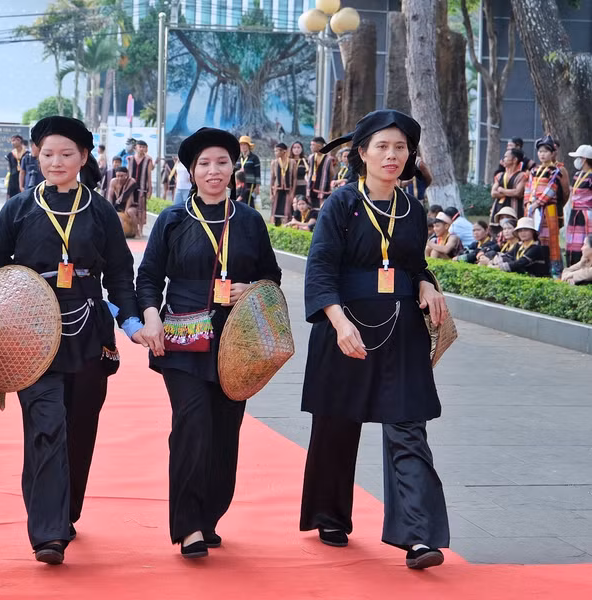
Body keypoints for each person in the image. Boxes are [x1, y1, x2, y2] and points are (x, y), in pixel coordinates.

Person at [0, 115, 143, 566]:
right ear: (36, 155)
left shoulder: (101, 211)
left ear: (84, 158)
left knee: (81, 427)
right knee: (46, 424)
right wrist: (11, 310)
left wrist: (131, 322)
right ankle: (48, 532)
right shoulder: (18, 208)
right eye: (48, 153)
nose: (56, 161)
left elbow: (120, 275)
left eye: (66, 154)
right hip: (32, 334)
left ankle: (65, 512)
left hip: (89, 330)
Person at [300, 110, 450, 570]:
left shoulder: (412, 209)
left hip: (400, 332)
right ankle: (329, 514)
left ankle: (419, 536)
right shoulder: (342, 204)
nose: (392, 155)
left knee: (408, 426)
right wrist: (339, 322)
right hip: (345, 327)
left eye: (400, 148)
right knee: (337, 425)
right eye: (382, 146)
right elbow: (321, 268)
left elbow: (412, 264)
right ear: (361, 153)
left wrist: (425, 282)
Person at [134, 127, 281, 559]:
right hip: (183, 339)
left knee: (224, 432)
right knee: (191, 425)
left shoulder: (250, 221)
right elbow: (148, 278)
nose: (213, 171)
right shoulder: (174, 220)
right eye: (204, 164)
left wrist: (250, 288)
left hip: (237, 343)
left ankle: (209, 516)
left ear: (234, 167)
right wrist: (150, 316)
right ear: (191, 172)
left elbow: (271, 278)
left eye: (221, 162)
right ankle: (188, 526)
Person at [524, 135, 568, 277]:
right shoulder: (533, 170)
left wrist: (538, 203)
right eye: (540, 151)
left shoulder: (555, 171)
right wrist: (528, 202)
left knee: (551, 239)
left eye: (545, 151)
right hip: (534, 209)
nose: (542, 154)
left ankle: (555, 269)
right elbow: (528, 188)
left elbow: (551, 189)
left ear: (552, 153)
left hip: (548, 209)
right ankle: (538, 266)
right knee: (537, 237)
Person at [566, 145, 592, 266]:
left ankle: (584, 266)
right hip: (574, 212)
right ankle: (571, 265)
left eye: (579, 158)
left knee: (584, 241)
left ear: (585, 159)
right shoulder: (577, 175)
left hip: (586, 214)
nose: (577, 161)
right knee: (572, 242)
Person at [490, 148, 527, 221]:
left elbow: (518, 193)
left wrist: (502, 190)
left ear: (515, 160)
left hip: (515, 208)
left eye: (506, 157)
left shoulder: (522, 175)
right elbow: (493, 193)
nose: (503, 159)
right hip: (499, 207)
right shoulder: (500, 175)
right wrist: (510, 193)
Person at [127, 140, 154, 231]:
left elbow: (149, 176)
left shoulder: (148, 160)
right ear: (136, 147)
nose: (141, 149)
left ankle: (141, 230)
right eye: (140, 146)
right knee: (130, 206)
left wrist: (150, 189)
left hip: (142, 188)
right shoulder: (130, 159)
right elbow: (127, 174)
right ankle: (133, 229)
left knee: (141, 208)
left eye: (143, 147)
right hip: (131, 188)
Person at [107, 166, 140, 237]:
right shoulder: (113, 181)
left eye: (122, 176)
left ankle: (137, 231)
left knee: (130, 212)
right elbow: (110, 196)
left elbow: (129, 197)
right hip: (118, 204)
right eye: (118, 176)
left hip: (132, 204)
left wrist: (126, 210)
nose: (119, 178)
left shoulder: (131, 182)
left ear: (126, 175)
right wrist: (109, 207)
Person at [306, 136, 334, 207]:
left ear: (319, 146)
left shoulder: (328, 159)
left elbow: (332, 173)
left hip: (323, 189)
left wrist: (329, 184)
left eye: (313, 145)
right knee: (312, 208)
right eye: (311, 145)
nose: (311, 147)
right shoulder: (310, 157)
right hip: (311, 188)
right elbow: (308, 171)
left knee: (321, 208)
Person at [270, 142, 294, 225]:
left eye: (277, 151)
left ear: (284, 151)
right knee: (276, 209)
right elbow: (272, 179)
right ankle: (276, 224)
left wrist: (292, 193)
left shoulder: (292, 162)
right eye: (275, 151)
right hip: (277, 189)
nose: (275, 153)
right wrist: (271, 193)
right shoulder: (274, 162)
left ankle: (286, 225)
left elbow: (294, 178)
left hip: (288, 189)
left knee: (287, 210)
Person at [234, 135, 261, 208]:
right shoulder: (238, 158)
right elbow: (235, 170)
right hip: (240, 185)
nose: (243, 146)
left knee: (250, 203)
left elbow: (257, 172)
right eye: (241, 145)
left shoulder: (254, 158)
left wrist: (257, 186)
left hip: (250, 184)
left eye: (245, 144)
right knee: (240, 203)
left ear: (249, 146)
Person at [6, 134, 27, 199]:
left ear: (19, 140)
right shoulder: (10, 154)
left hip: (24, 178)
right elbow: (10, 168)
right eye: (12, 141)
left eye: (14, 141)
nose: (12, 143)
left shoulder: (27, 154)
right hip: (13, 179)